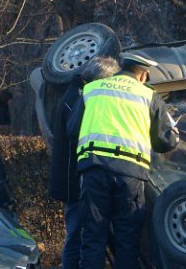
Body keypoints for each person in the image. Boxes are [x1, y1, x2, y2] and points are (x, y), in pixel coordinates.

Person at [67, 53, 180, 269]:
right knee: (127, 241)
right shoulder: (148, 95)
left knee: (93, 239)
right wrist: (174, 134)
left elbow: (73, 131)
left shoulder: (92, 89)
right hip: (130, 174)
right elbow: (164, 142)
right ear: (143, 75)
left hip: (94, 169)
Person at [49, 57, 120, 269]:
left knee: (78, 234)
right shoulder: (78, 99)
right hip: (74, 182)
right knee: (77, 236)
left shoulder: (74, 95)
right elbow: (78, 135)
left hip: (74, 179)